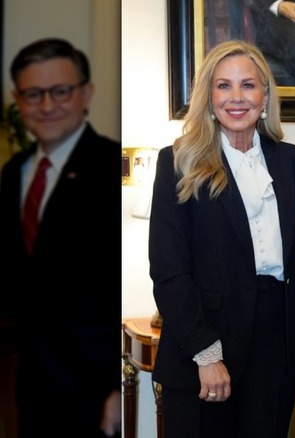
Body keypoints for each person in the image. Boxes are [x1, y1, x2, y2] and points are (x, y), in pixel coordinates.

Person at [148, 39, 295, 438]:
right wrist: (206, 353)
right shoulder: (179, 160)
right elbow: (169, 269)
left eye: (248, 85)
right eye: (223, 86)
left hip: (277, 344)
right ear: (208, 96)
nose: (236, 98)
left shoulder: (293, 161)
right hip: (205, 340)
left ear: (265, 95)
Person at [0, 38, 120, 437]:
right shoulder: (14, 171)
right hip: (30, 382)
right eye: (34, 94)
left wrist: (115, 386)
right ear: (18, 98)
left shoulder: (108, 166)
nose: (47, 106)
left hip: (95, 390)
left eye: (60, 91)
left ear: (85, 92)